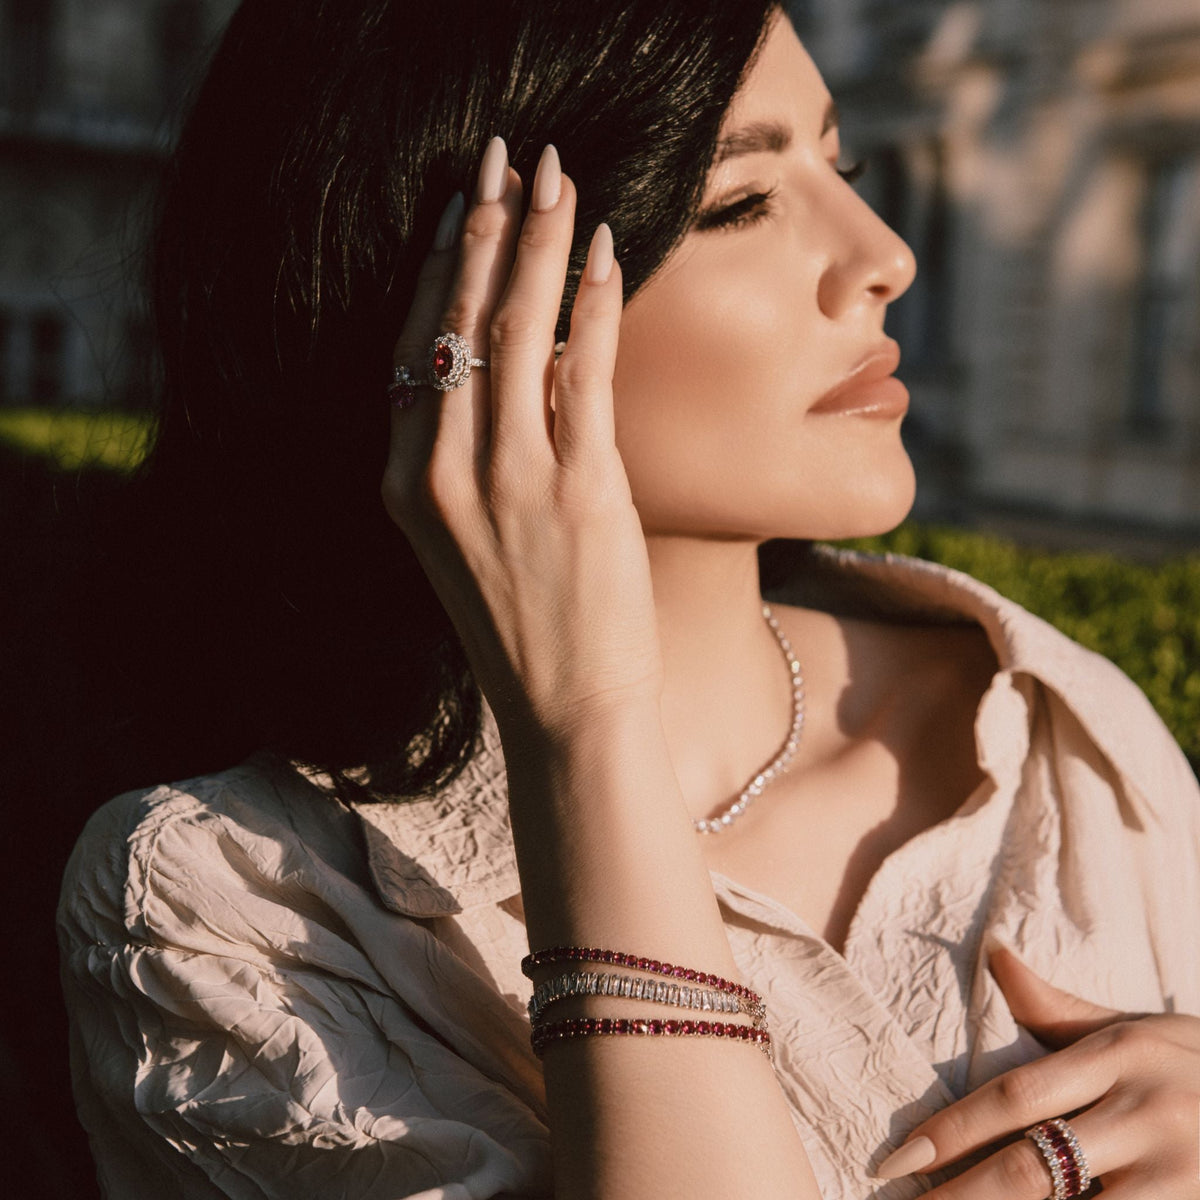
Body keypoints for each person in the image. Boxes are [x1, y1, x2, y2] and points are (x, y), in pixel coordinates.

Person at [58, 1, 1200, 1197]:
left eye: (841, 159)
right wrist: (587, 724)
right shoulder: (219, 909)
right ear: (455, 312)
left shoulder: (1051, 726)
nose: (883, 252)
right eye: (740, 203)